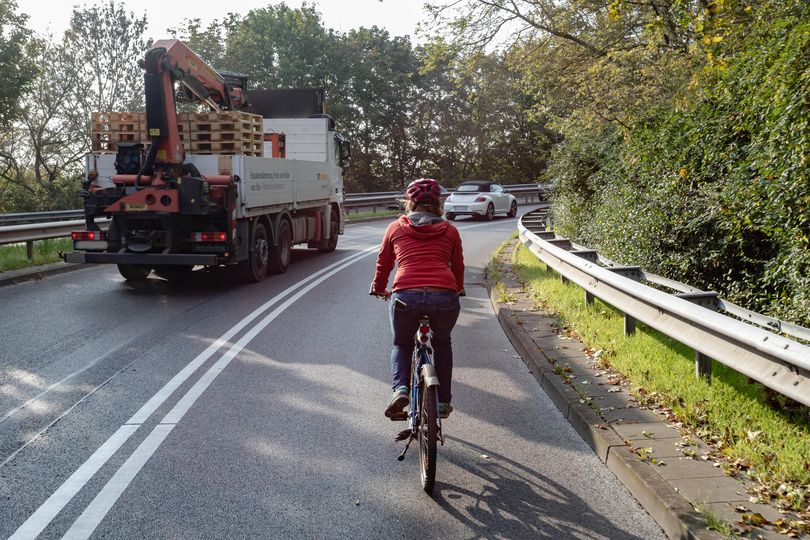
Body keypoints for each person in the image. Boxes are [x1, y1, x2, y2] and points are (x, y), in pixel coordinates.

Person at [370, 178, 464, 419]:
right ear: (438, 204)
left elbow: (384, 263)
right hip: (444, 296)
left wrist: (380, 288)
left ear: (409, 203)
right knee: (442, 343)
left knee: (402, 343)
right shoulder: (450, 230)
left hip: (405, 296)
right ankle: (442, 401)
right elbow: (458, 265)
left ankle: (400, 388)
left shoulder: (395, 228)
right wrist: (458, 288)